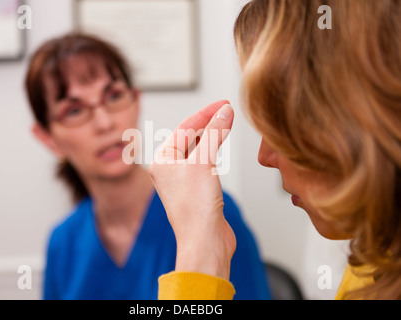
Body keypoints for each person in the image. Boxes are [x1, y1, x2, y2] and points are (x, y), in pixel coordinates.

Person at [150, 0, 401, 300]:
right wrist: (204, 250)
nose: (264, 157)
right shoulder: (372, 263)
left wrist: (196, 255)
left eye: (284, 124)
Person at [24, 33, 271, 299]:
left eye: (114, 95)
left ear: (136, 102)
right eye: (74, 111)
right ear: (48, 138)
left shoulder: (209, 212)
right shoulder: (62, 244)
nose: (105, 123)